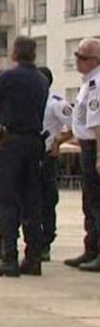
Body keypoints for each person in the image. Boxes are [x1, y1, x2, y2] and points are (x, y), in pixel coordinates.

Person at [0, 36, 48, 277]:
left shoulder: (7, 77)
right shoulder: (42, 80)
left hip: (11, 141)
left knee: (6, 199)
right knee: (31, 200)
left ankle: (9, 255)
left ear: (14, 53)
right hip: (34, 141)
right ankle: (33, 257)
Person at [64, 38, 100, 272]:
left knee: (97, 203)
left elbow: (98, 124)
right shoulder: (88, 83)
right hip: (85, 145)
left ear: (95, 60)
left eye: (83, 57)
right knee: (89, 202)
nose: (78, 60)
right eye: (77, 55)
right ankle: (91, 249)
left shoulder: (96, 84)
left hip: (93, 146)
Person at [37, 67, 74, 261]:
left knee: (47, 201)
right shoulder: (28, 101)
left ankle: (45, 242)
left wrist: (59, 141)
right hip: (27, 157)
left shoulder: (55, 104)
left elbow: (77, 124)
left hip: (46, 157)